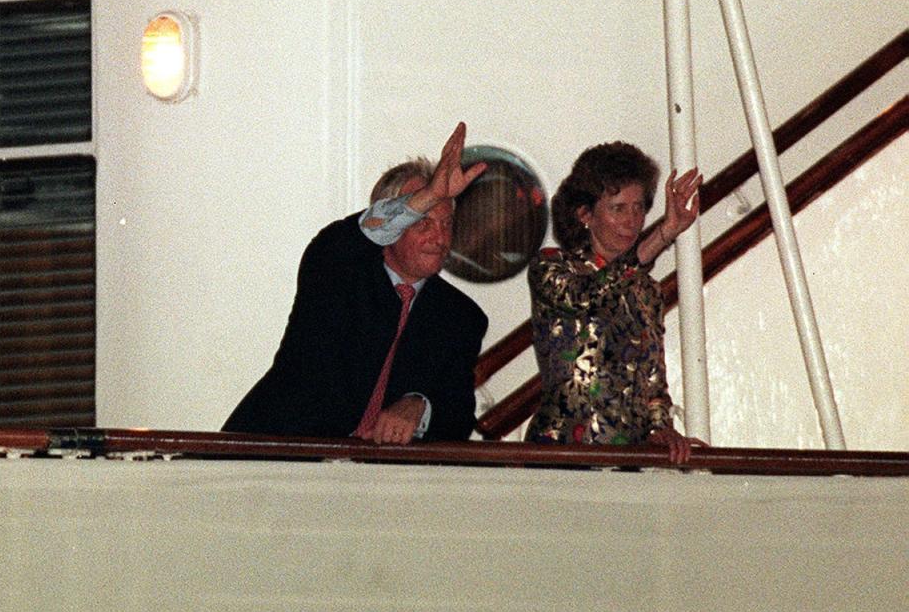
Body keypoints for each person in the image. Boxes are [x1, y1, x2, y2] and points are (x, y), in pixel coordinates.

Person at [222, 123, 488, 444]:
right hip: (274, 456)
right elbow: (361, 232)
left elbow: (457, 417)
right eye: (423, 221)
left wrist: (419, 406)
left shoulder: (461, 317)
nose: (439, 236)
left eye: (446, 223)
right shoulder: (337, 266)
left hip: (371, 482)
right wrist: (430, 194)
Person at [525, 141, 704, 463]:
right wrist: (663, 235)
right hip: (564, 453)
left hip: (628, 457)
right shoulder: (551, 266)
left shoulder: (646, 290)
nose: (632, 220)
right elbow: (588, 297)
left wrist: (662, 428)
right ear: (585, 214)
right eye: (618, 208)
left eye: (639, 208)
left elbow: (652, 374)